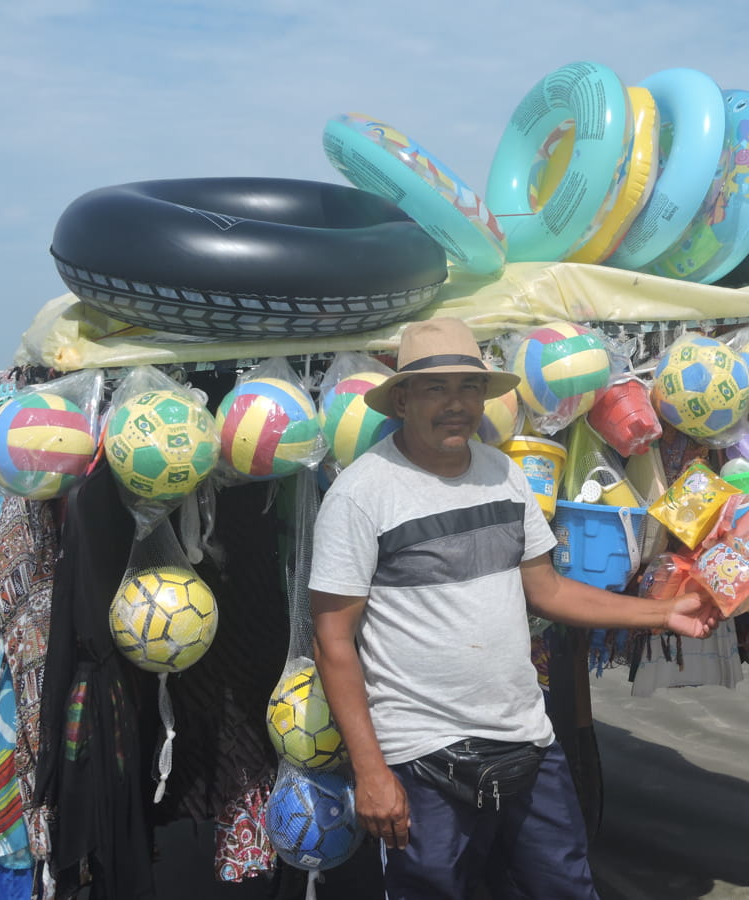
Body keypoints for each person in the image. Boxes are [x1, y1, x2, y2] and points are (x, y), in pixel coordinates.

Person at [308, 317, 720, 899]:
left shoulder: (504, 474)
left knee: (566, 887)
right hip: (420, 753)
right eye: (435, 388)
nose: (456, 404)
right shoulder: (361, 494)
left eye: (468, 388)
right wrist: (371, 771)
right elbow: (333, 640)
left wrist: (663, 612)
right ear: (401, 399)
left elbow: (546, 589)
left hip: (526, 735)